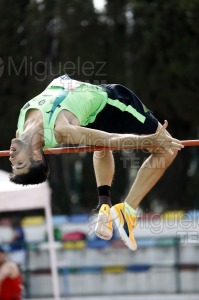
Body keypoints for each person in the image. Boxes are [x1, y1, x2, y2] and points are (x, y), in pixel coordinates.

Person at [9, 74, 183, 250]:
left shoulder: (20, 129)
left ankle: (104, 205)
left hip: (91, 107)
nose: (11, 159)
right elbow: (111, 140)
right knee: (169, 149)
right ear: (37, 156)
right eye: (20, 164)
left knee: (100, 146)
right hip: (115, 103)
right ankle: (128, 211)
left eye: (14, 165)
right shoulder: (61, 130)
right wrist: (149, 140)